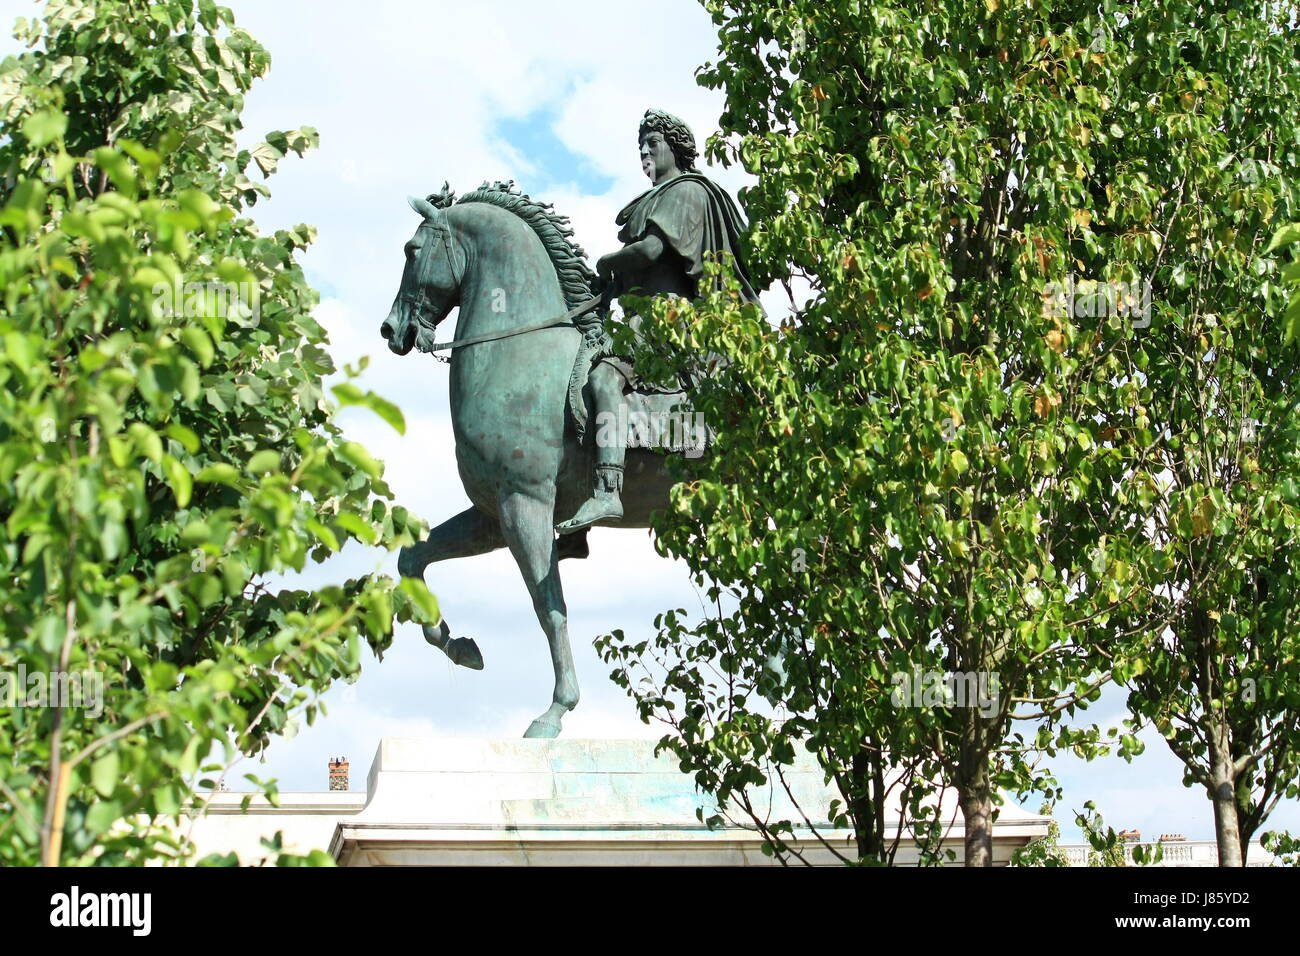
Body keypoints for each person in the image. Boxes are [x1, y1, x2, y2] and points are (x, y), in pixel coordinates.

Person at [556, 108, 761, 535]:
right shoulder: (660, 195)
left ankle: (608, 490)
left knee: (603, 380)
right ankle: (571, 520)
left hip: (671, 320)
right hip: (641, 316)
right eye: (641, 146)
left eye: (653, 143)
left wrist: (608, 260)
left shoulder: (688, 191)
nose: (645, 151)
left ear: (675, 147)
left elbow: (651, 250)